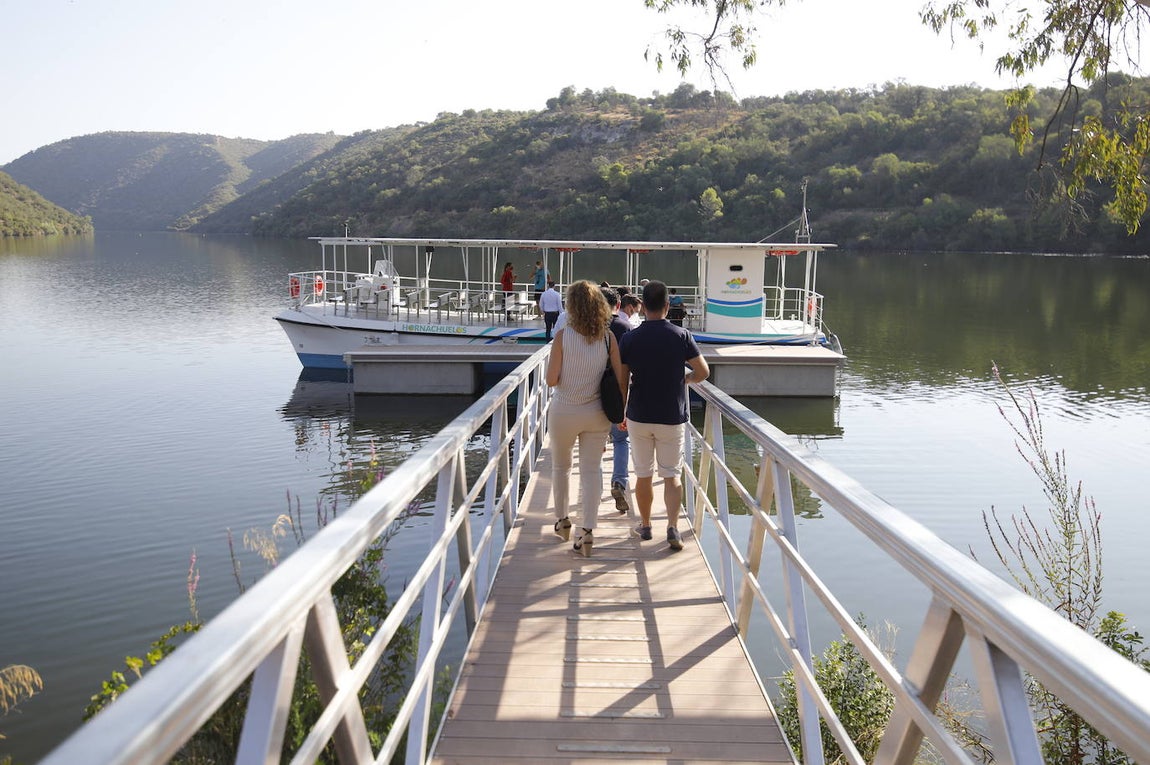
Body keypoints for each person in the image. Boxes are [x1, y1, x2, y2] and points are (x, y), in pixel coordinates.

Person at [618, 279, 709, 551]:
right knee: (671, 475)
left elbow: (623, 383)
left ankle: (645, 526)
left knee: (643, 474)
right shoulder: (681, 336)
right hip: (671, 415)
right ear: (667, 306)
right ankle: (672, 527)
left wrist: (620, 414)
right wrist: (687, 379)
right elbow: (703, 372)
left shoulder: (629, 338)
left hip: (639, 414)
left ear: (643, 306)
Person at [545, 281, 626, 557]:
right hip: (597, 414)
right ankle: (588, 532)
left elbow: (551, 379)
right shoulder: (608, 338)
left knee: (561, 467)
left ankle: (562, 521)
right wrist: (622, 412)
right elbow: (620, 379)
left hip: (564, 412)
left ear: (571, 307)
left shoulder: (562, 337)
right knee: (592, 472)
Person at [602, 286, 633, 514]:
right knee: (621, 440)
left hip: (590, 395)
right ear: (619, 306)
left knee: (592, 444)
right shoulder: (625, 328)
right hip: (616, 394)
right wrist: (624, 405)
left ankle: (591, 487)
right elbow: (628, 369)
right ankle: (619, 481)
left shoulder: (590, 327)